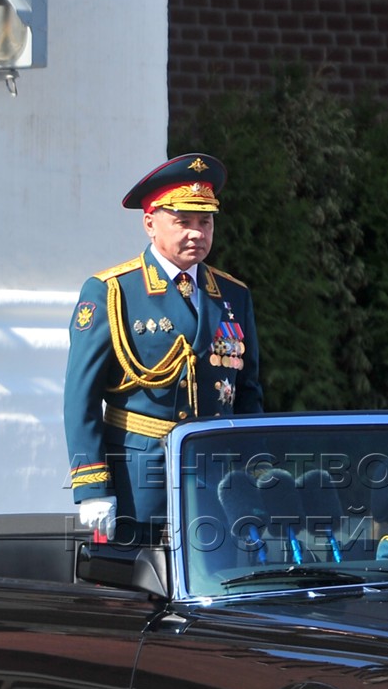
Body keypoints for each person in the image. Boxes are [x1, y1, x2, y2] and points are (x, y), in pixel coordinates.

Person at [64, 153, 262, 540]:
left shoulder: (233, 294)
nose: (196, 233)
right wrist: (92, 486)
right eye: (183, 222)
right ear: (150, 224)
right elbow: (80, 398)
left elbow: (247, 394)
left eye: (205, 222)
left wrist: (251, 472)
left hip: (215, 487)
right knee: (132, 595)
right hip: (139, 485)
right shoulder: (113, 291)